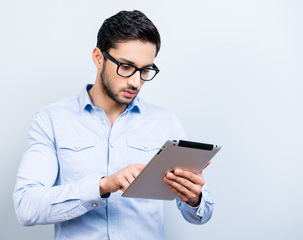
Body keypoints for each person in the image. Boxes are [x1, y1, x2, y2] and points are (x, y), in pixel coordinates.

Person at [13, 10, 214, 240]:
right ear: (99, 58)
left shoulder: (165, 123)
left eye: (145, 70)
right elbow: (26, 207)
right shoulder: (51, 120)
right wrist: (103, 185)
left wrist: (194, 198)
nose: (135, 81)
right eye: (126, 66)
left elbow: (202, 215)